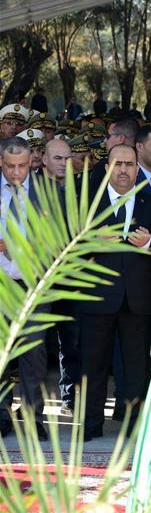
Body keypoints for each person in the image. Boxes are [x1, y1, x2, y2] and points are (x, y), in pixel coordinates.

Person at [77, 145, 151, 441]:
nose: (124, 169)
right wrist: (91, 241)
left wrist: (148, 244)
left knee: (136, 364)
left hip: (137, 298)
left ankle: (130, 422)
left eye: (129, 164)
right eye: (118, 164)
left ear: (138, 169)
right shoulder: (87, 203)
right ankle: (90, 424)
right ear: (107, 168)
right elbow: (67, 245)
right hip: (97, 296)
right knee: (93, 363)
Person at [0, 137, 46, 439]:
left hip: (34, 283)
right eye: (9, 166)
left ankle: (33, 417)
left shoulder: (48, 193)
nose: (16, 173)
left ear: (31, 162)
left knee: (34, 352)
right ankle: (1, 414)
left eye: (21, 166)